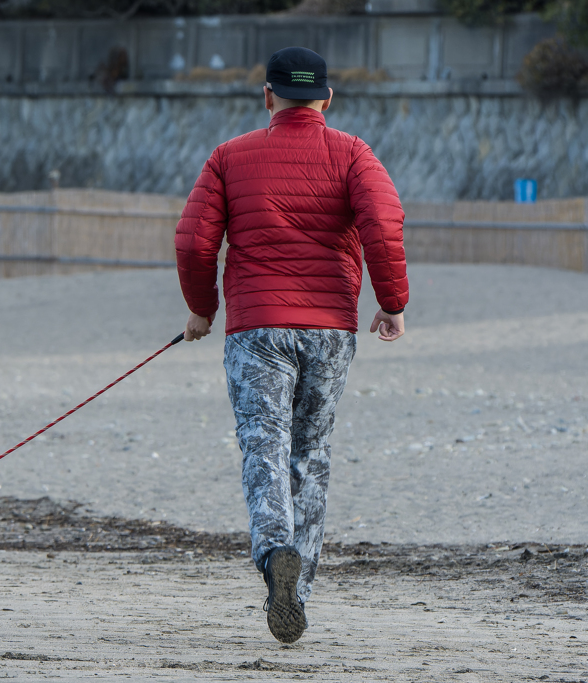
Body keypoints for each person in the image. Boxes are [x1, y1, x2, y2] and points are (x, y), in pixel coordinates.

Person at [174, 47, 408, 644]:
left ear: (269, 96)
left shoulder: (229, 156)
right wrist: (393, 301)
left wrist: (202, 308)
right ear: (327, 99)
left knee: (264, 447)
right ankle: (297, 589)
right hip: (330, 328)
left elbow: (194, 241)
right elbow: (382, 224)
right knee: (310, 451)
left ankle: (275, 549)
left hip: (256, 329)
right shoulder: (353, 153)